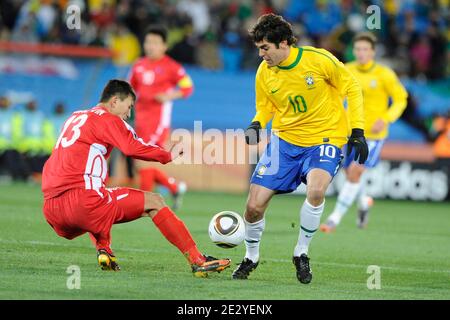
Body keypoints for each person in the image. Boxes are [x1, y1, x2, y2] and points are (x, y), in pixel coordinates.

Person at [41, 79, 230, 276]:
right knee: (154, 201)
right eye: (129, 106)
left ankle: (104, 249)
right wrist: (167, 155)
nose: (129, 114)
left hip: (52, 210)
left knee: (102, 197)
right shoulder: (109, 119)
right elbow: (131, 146)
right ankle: (197, 260)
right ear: (114, 101)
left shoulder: (75, 116)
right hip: (83, 205)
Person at [232, 14, 368, 284]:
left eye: (265, 48)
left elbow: (351, 86)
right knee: (253, 207)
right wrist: (257, 123)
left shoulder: (318, 60)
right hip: (283, 141)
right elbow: (266, 105)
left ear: (283, 44)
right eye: (259, 48)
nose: (261, 54)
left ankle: (301, 251)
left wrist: (358, 131)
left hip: (325, 138)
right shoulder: (264, 72)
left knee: (316, 190)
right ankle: (251, 256)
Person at [320, 32, 408, 232]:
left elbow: (401, 99)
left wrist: (386, 119)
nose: (361, 53)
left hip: (373, 136)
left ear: (373, 52)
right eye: (357, 49)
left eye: (365, 49)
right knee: (351, 175)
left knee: (355, 172)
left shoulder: (384, 74)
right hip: (349, 132)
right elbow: (336, 97)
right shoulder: (346, 70)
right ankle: (363, 203)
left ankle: (334, 219)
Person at [129, 25, 193, 209]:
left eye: (155, 43)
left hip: (157, 120)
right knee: (139, 163)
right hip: (140, 118)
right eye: (148, 42)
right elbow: (130, 87)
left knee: (143, 160)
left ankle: (144, 205)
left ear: (164, 46)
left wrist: (169, 96)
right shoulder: (138, 65)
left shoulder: (172, 67)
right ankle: (174, 187)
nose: (150, 46)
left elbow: (187, 87)